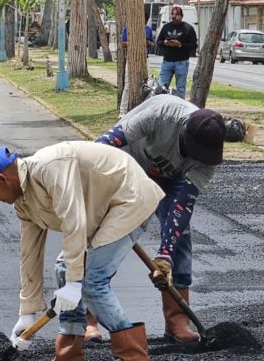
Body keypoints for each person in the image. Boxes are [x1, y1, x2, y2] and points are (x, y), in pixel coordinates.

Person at [0, 141, 165, 360]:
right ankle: (70, 355)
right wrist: (27, 311)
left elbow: (74, 223)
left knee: (91, 281)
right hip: (98, 209)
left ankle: (134, 356)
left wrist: (75, 284)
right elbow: (29, 253)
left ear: (1, 178)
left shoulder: (50, 168)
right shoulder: (23, 202)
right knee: (65, 268)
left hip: (128, 197)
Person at [95, 94, 226, 343]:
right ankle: (87, 318)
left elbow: (182, 205)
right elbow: (106, 144)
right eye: (194, 152)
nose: (197, 159)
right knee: (102, 235)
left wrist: (165, 254)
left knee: (180, 240)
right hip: (127, 163)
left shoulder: (208, 157)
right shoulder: (160, 114)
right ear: (185, 134)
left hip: (172, 179)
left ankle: (177, 321)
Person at [119, 8, 156, 116]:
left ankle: (144, 109)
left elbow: (152, 44)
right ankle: (123, 110)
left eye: (145, 20)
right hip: (131, 58)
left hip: (144, 58)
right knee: (128, 84)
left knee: (146, 84)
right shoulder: (128, 28)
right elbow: (123, 44)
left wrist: (147, 42)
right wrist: (135, 40)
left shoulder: (148, 29)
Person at [156, 6, 197, 100]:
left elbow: (194, 46)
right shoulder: (166, 27)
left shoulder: (188, 28)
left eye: (177, 15)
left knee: (181, 89)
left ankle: (180, 108)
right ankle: (161, 107)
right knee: (161, 87)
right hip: (167, 61)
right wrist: (165, 43)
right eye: (173, 15)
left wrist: (180, 45)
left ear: (181, 16)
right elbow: (158, 42)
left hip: (181, 62)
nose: (174, 17)